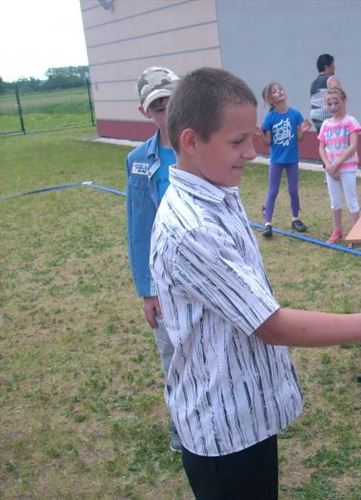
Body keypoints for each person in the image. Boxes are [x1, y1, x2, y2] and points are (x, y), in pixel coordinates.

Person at [150, 67, 361, 499]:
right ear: (191, 141)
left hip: (245, 413)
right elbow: (270, 324)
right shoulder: (191, 229)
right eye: (237, 142)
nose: (252, 153)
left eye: (251, 138)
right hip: (224, 431)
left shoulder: (217, 189)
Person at [125, 66, 182, 453]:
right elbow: (139, 226)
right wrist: (147, 291)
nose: (166, 112)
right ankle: (181, 422)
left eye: (171, 102)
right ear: (145, 112)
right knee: (172, 352)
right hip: (165, 278)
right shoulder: (139, 161)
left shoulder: (203, 145)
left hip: (205, 271)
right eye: (158, 107)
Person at [258, 82, 311, 239]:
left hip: (292, 159)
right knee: (273, 191)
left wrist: (304, 130)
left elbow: (299, 138)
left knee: (293, 190)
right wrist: (260, 134)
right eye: (275, 91)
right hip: (276, 160)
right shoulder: (270, 118)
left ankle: (295, 219)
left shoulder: (295, 114)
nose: (279, 91)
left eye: (280, 89)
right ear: (270, 100)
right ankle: (267, 223)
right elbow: (267, 142)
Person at [317, 86, 361, 244]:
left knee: (351, 201)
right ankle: (337, 230)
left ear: (343, 101)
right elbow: (322, 147)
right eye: (329, 104)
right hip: (331, 169)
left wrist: (337, 163)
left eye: (336, 103)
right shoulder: (325, 124)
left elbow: (353, 146)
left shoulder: (350, 121)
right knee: (335, 201)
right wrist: (328, 165)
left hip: (347, 167)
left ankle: (357, 233)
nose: (333, 107)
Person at [309, 53, 342, 133]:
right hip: (328, 115)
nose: (335, 68)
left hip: (316, 118)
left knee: (324, 139)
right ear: (327, 67)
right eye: (333, 66)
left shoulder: (313, 83)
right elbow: (339, 97)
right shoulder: (331, 79)